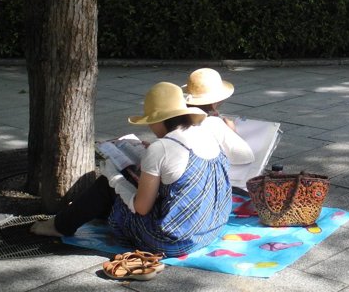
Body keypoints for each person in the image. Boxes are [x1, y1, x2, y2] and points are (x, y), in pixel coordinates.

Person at [30, 82, 232, 257]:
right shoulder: (206, 133)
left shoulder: (161, 148)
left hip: (173, 241)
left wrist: (114, 177)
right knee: (126, 182)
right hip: (210, 227)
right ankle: (79, 215)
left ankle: (60, 226)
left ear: (160, 119)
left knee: (108, 186)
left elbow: (142, 208)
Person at [181, 68, 254, 167]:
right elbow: (245, 156)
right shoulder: (214, 123)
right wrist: (233, 132)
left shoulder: (175, 120)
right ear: (214, 103)